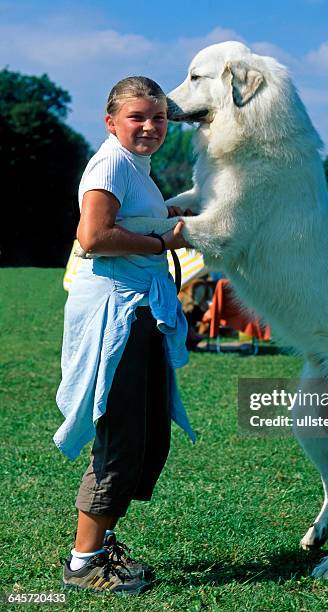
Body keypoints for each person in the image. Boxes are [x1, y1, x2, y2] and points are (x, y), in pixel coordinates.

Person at [54, 76, 196, 594]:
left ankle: (101, 546)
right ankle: (84, 563)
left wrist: (165, 218)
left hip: (138, 310)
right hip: (116, 313)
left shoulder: (138, 168)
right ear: (111, 121)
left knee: (144, 435)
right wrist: (165, 239)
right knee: (120, 437)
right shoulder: (111, 162)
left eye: (158, 117)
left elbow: (126, 222)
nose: (150, 126)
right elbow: (92, 237)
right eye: (138, 116)